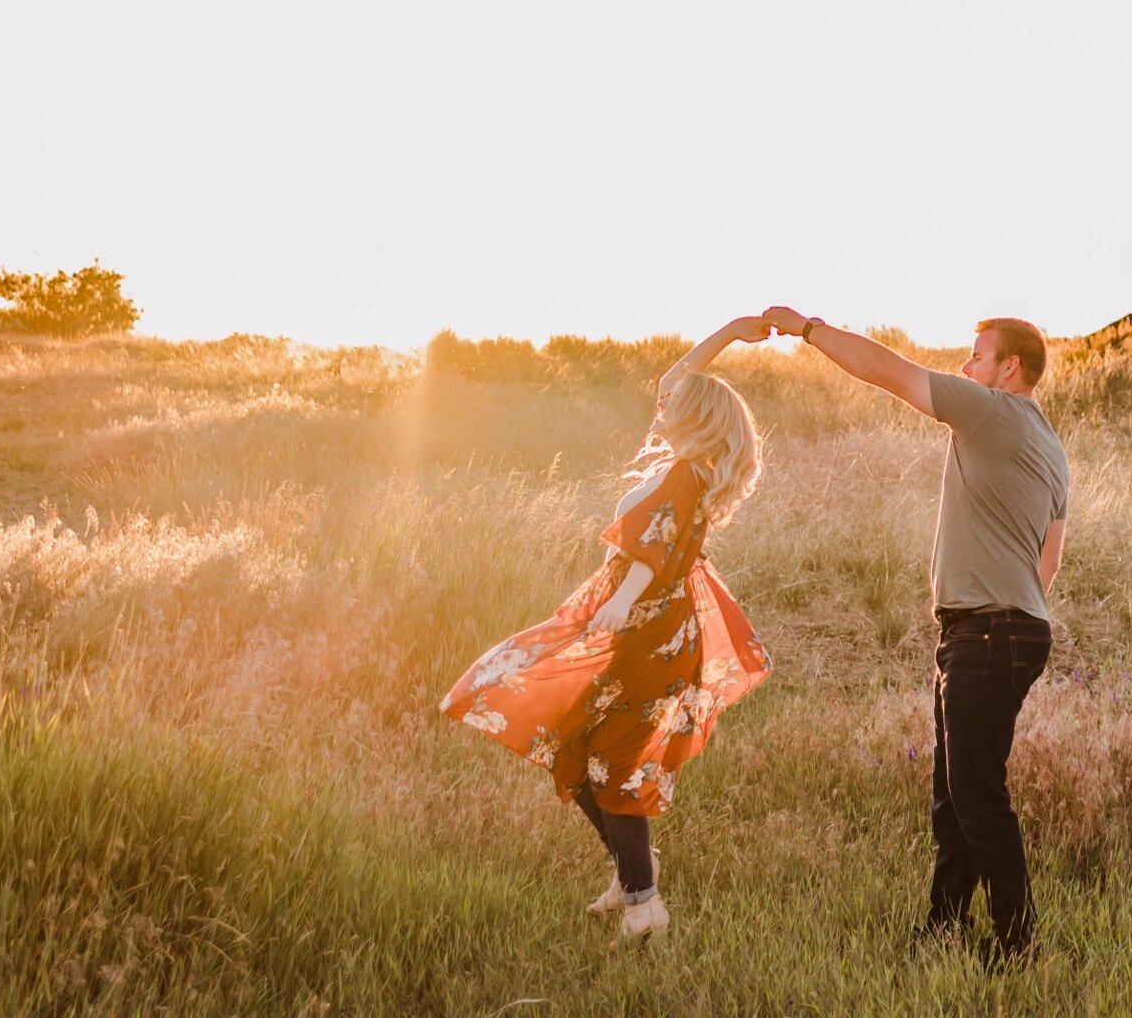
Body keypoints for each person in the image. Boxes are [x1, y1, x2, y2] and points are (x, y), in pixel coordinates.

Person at [440, 316, 775, 940]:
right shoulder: (694, 468)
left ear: (695, 417)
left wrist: (621, 599)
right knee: (582, 748)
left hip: (645, 629)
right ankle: (633, 869)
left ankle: (645, 904)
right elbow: (675, 378)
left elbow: (657, 544)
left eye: (679, 402)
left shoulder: (684, 476)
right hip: (649, 629)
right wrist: (730, 331)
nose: (667, 401)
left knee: (611, 760)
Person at [761, 306, 1068, 964]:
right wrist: (1016, 605)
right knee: (955, 793)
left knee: (977, 796)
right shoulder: (1050, 444)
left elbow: (886, 370)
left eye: (977, 355)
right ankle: (943, 929)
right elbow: (1052, 556)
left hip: (985, 632)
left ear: (1009, 365)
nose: (966, 365)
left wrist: (808, 328)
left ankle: (1020, 947)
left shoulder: (987, 408)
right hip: (1011, 627)